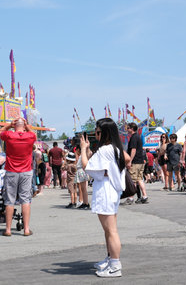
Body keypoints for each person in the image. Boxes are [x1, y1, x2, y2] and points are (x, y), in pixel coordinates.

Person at [80, 118, 130, 278]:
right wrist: (112, 170)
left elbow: (86, 166)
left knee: (111, 230)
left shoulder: (105, 149)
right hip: (111, 190)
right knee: (109, 229)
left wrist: (82, 149)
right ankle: (111, 260)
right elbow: (127, 158)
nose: (95, 134)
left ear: (105, 132)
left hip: (106, 190)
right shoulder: (114, 148)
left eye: (98, 132)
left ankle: (115, 264)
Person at [0, 117, 36, 236]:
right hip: (26, 171)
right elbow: (33, 133)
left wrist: (10, 125)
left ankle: (8, 229)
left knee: (9, 200)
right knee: (25, 199)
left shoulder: (9, 135)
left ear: (15, 125)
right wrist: (26, 125)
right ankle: (26, 229)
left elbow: (0, 132)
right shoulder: (30, 136)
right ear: (24, 125)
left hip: (11, 170)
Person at [125, 122, 148, 204]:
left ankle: (131, 198)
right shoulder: (138, 136)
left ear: (131, 128)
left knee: (133, 180)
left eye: (128, 128)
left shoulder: (134, 137)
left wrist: (130, 161)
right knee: (139, 179)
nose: (127, 130)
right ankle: (145, 196)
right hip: (140, 161)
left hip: (135, 161)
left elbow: (133, 149)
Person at [75, 145, 90, 209]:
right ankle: (84, 202)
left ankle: (86, 203)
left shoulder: (83, 155)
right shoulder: (82, 155)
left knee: (83, 188)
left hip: (82, 170)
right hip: (81, 170)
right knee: (82, 188)